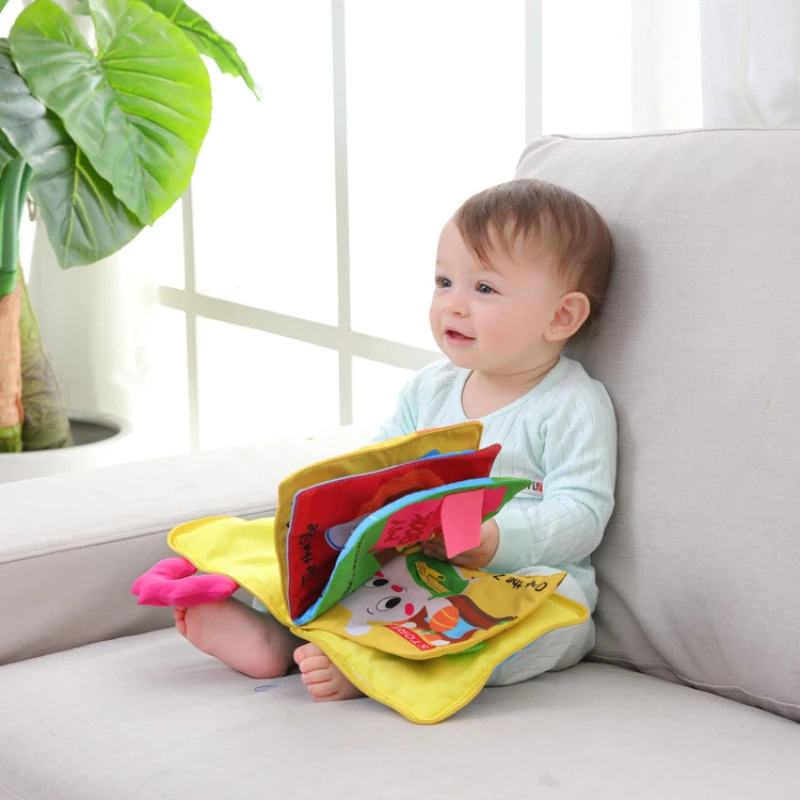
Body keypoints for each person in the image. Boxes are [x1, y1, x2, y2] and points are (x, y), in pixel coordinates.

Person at [174, 178, 617, 701]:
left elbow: (582, 515)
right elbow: (380, 466)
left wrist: (495, 539)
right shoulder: (431, 388)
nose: (453, 305)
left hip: (516, 582)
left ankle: (371, 667)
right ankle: (279, 633)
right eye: (444, 281)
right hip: (418, 566)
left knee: (559, 624)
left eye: (484, 289)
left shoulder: (572, 405)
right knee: (321, 565)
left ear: (561, 316)